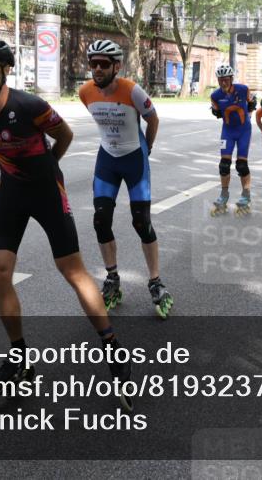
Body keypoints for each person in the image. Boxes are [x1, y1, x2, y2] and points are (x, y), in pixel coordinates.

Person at [0, 37, 132, 411]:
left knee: (72, 270)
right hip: (11, 192)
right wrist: (9, 169)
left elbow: (64, 134)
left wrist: (48, 165)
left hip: (47, 191)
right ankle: (19, 356)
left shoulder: (30, 106)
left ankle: (113, 348)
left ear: (5, 70)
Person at [79, 39, 173, 320]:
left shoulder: (132, 90)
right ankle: (112, 278)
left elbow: (153, 119)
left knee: (141, 222)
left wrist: (148, 149)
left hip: (134, 158)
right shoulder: (85, 92)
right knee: (100, 219)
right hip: (107, 158)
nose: (97, 68)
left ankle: (155, 281)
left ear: (116, 66)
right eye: (93, 63)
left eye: (104, 64)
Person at [209, 64, 255, 214]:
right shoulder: (215, 96)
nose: (223, 83)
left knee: (241, 165)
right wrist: (215, 111)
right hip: (228, 131)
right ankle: (224, 195)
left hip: (243, 131)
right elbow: (217, 112)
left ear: (231, 79)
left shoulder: (242, 89)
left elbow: (252, 102)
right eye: (221, 80)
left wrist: (249, 115)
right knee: (224, 165)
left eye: (226, 80)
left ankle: (246, 196)